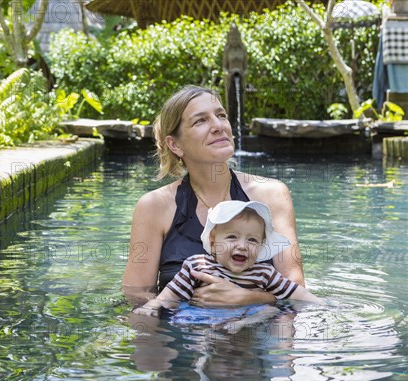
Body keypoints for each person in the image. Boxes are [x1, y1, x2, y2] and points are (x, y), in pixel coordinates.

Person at [122, 85, 304, 306]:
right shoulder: (155, 206)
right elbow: (137, 297)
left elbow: (297, 289)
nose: (218, 126)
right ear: (175, 144)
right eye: (201, 120)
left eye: (221, 116)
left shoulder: (272, 194)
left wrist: (249, 298)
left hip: (258, 334)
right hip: (179, 335)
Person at [134, 200, 323, 317]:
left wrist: (322, 305)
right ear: (213, 242)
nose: (242, 245)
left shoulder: (264, 273)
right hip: (200, 316)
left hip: (245, 319)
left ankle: (240, 327)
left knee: (269, 310)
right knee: (181, 316)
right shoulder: (198, 265)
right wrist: (153, 306)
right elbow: (170, 293)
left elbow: (296, 293)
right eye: (232, 237)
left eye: (252, 240)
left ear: (261, 246)